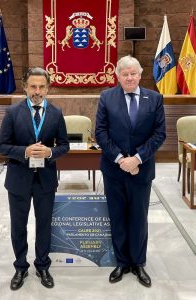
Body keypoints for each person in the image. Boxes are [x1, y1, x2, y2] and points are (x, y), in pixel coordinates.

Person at [95, 55, 166, 288]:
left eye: (133, 73)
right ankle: (122, 261)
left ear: (140, 74)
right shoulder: (107, 97)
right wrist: (120, 159)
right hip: (114, 170)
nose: (129, 77)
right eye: (124, 74)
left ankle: (138, 263)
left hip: (141, 170)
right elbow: (101, 133)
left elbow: (159, 134)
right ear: (118, 76)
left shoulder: (154, 98)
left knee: (138, 218)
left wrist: (136, 159)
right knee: (117, 217)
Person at [0, 67, 69, 291]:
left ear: (48, 88)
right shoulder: (12, 113)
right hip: (18, 179)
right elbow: (1, 146)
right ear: (25, 87)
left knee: (44, 225)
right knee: (19, 226)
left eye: (42, 87)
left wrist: (50, 153)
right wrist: (24, 152)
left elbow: (64, 145)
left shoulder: (56, 113)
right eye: (33, 87)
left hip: (45, 179)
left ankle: (42, 265)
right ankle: (20, 266)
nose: (37, 91)